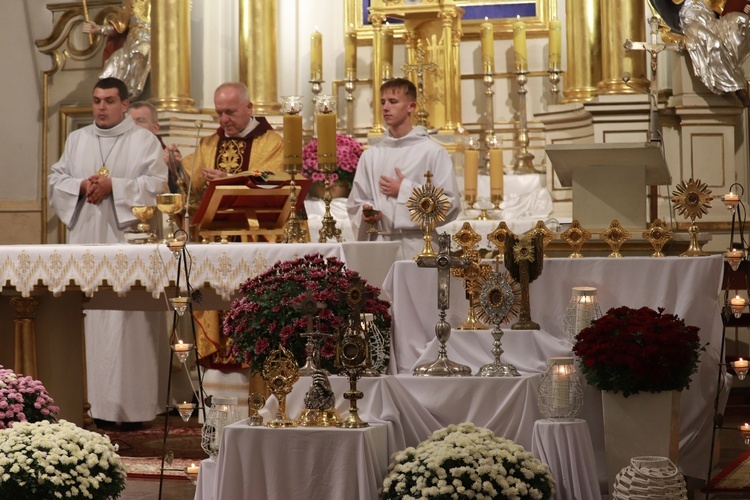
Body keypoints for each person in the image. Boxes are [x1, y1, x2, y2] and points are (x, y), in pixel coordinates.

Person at [48, 77, 168, 426]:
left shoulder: (144, 141)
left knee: (127, 325)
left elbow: (157, 187)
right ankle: (87, 405)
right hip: (85, 244)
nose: (101, 107)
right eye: (97, 100)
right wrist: (83, 185)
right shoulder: (77, 139)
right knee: (90, 321)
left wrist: (115, 186)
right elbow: (56, 181)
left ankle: (134, 410)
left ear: (125, 105)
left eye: (110, 101)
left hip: (127, 246)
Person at [182, 82, 284, 366]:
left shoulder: (271, 142)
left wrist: (230, 180)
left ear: (249, 108)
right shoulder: (208, 143)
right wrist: (173, 162)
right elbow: (192, 181)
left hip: (253, 240)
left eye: (230, 112)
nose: (224, 119)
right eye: (219, 113)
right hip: (215, 239)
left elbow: (273, 182)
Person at [346, 78, 461, 260]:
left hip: (419, 245)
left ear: (411, 107)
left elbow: (451, 203)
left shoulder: (432, 152)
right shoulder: (371, 155)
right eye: (383, 102)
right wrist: (365, 212)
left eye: (393, 102)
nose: (385, 108)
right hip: (379, 246)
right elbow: (356, 202)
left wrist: (405, 190)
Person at [83, 0, 151, 100]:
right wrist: (98, 29)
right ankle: (109, 95)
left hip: (149, 41)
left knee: (138, 54)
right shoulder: (129, 2)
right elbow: (119, 26)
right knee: (114, 60)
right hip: (130, 43)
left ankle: (133, 92)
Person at [129, 101, 187, 194]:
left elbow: (177, 192)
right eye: (129, 121)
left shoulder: (166, 153)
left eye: (140, 120)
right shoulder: (117, 149)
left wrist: (170, 168)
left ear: (155, 128)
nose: (134, 125)